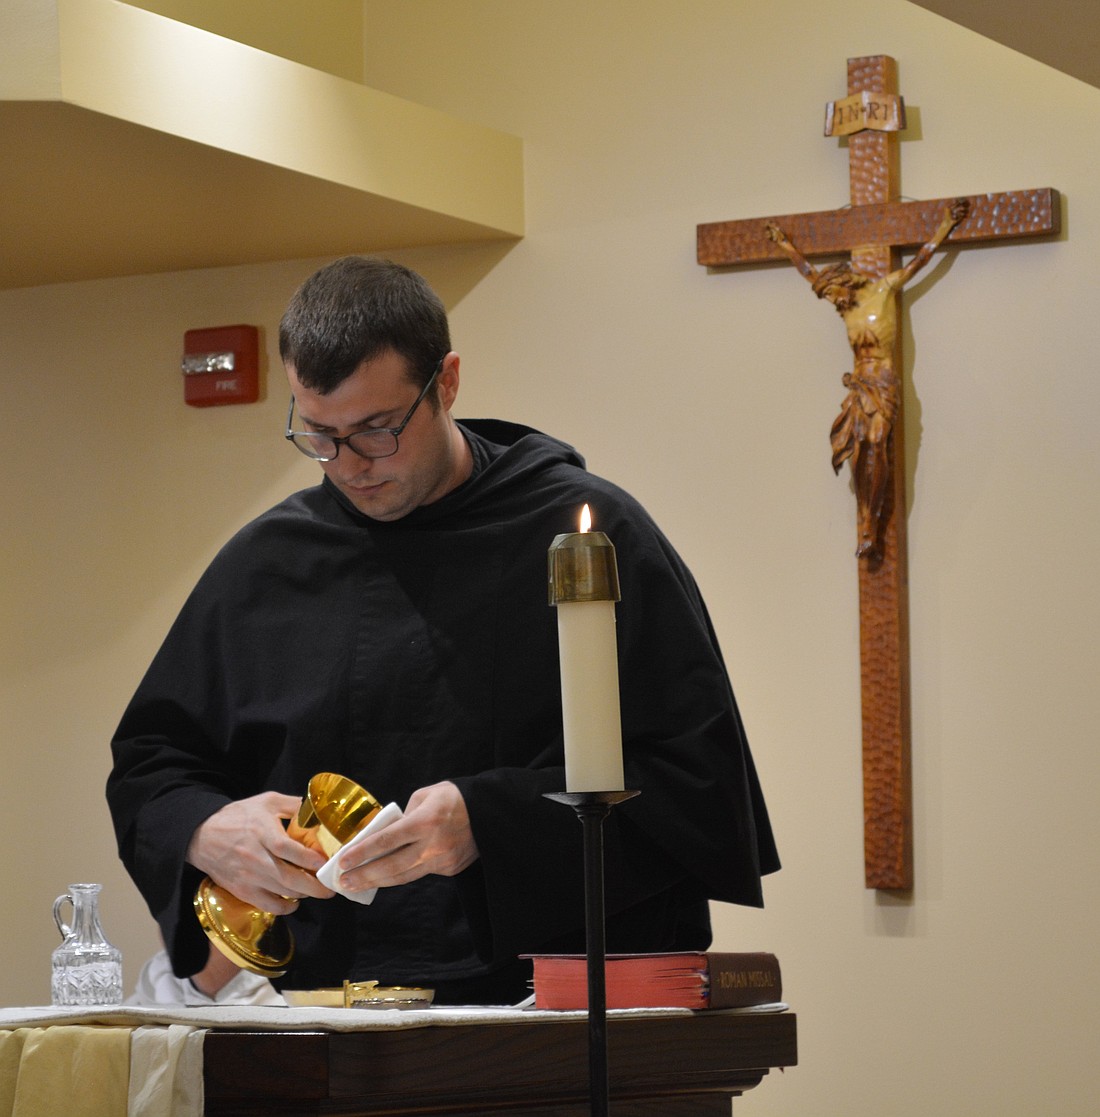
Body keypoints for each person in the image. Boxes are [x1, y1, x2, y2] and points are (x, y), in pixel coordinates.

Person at [107, 257, 779, 1005]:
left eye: (376, 430)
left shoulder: (587, 533)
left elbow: (698, 786)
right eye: (319, 435)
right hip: (319, 1020)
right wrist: (205, 828)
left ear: (447, 382)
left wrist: (490, 823)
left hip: (550, 1011)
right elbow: (151, 764)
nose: (350, 466)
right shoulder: (268, 562)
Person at [765, 198, 969, 557]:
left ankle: (872, 521)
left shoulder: (883, 290)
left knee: (876, 443)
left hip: (884, 384)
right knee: (859, 449)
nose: (834, 303)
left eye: (834, 295)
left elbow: (920, 261)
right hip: (859, 387)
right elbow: (810, 273)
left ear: (845, 281)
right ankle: (864, 519)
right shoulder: (844, 306)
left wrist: (945, 226)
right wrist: (786, 246)